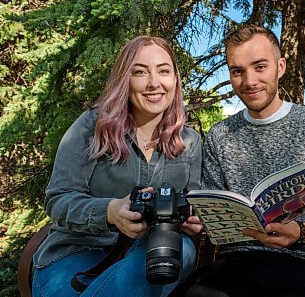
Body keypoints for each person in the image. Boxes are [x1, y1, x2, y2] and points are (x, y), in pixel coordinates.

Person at [181, 25, 305, 297]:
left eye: (260, 67)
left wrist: (300, 231)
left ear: (280, 67)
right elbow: (212, 211)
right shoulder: (220, 135)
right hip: (238, 265)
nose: (249, 81)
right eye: (237, 71)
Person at [32, 36, 204, 297]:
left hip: (151, 254)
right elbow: (58, 200)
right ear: (125, 79)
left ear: (175, 79)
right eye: (140, 72)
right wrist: (110, 211)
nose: (154, 83)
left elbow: (194, 204)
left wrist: (191, 219)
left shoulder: (189, 141)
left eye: (164, 71)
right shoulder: (93, 125)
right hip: (76, 255)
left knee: (182, 249)